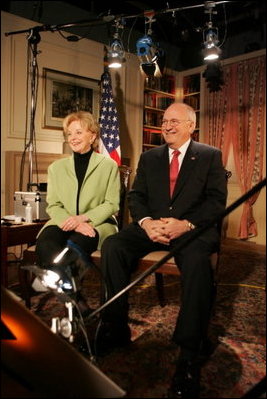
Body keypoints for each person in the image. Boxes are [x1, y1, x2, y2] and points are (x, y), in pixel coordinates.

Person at [97, 103, 227, 398]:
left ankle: (189, 351)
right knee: (114, 246)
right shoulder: (150, 157)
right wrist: (146, 223)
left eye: (174, 122)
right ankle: (115, 328)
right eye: (164, 121)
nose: (166, 126)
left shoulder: (209, 156)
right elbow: (137, 196)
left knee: (197, 263)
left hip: (189, 230)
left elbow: (216, 202)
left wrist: (187, 224)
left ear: (191, 126)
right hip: (152, 227)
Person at [35, 111, 120, 314]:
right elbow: (53, 205)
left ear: (92, 136)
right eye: (69, 133)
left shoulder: (108, 165)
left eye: (78, 132)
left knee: (75, 245)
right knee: (46, 244)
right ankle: (77, 301)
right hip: (62, 221)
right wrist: (73, 221)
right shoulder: (56, 168)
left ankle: (66, 295)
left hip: (98, 223)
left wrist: (83, 220)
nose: (72, 137)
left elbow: (112, 203)